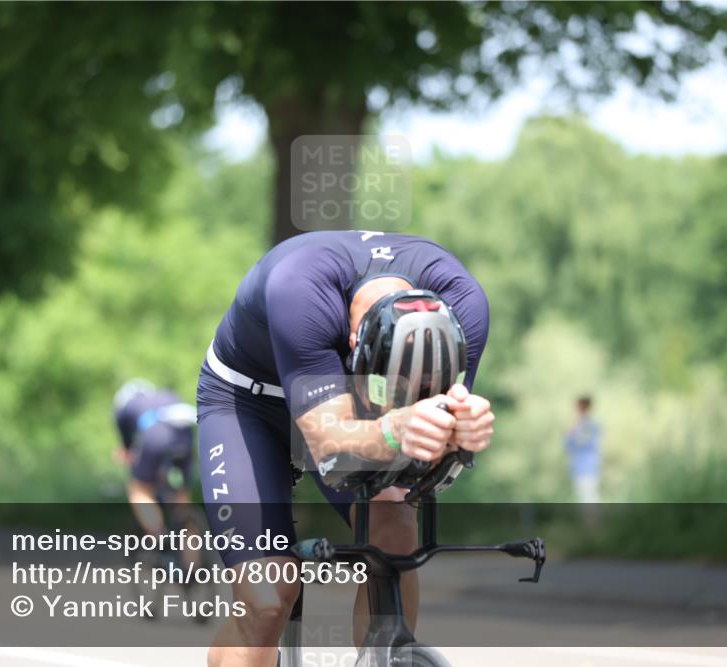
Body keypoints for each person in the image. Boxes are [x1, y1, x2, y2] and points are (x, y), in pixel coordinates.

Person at [197, 230, 493, 667]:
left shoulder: (462, 305)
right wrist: (394, 430)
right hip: (248, 401)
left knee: (395, 530)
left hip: (357, 402)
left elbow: (430, 456)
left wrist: (459, 434)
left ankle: (384, 654)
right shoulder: (301, 289)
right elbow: (328, 441)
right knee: (268, 596)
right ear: (355, 344)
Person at [112, 379, 197, 536]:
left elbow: (127, 447)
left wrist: (129, 455)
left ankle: (158, 534)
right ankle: (193, 556)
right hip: (186, 435)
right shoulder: (166, 394)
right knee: (181, 496)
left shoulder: (125, 407)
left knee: (139, 489)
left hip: (156, 434)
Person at [564, 396, 602, 504]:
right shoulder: (579, 425)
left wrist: (570, 435)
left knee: (589, 500)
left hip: (587, 468)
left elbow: (581, 443)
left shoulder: (589, 425)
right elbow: (568, 445)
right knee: (582, 500)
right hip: (579, 467)